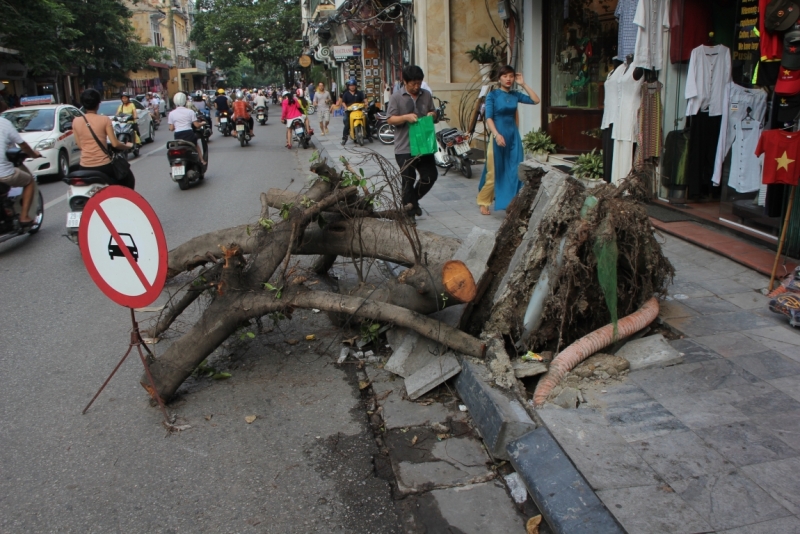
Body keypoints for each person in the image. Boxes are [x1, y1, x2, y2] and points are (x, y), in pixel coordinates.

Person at [477, 65, 540, 215]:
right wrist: (497, 135)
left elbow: (536, 100)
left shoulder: (515, 95)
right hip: (498, 135)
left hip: (513, 137)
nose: (508, 79)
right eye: (505, 76)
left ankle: (510, 203)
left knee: (514, 171)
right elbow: (489, 118)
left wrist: (523, 84)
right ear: (499, 78)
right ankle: (483, 201)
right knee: (494, 171)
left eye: (511, 76)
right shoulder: (493, 96)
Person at [386, 65, 438, 224]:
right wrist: (406, 117)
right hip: (404, 146)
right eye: (413, 84)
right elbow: (390, 119)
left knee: (430, 175)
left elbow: (434, 113)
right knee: (408, 179)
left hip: (423, 145)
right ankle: (408, 214)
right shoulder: (396, 97)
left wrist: (432, 115)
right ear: (405, 82)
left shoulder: (426, 95)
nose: (416, 87)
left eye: (419, 83)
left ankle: (412, 202)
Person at [72, 88, 135, 188]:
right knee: (127, 177)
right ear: (98, 103)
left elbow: (80, 145)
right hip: (103, 166)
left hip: (84, 166)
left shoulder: (76, 121)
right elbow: (115, 144)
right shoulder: (104, 119)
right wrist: (127, 146)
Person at [0, 97, 41, 226]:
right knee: (29, 180)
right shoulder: (4, 123)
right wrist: (34, 154)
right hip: (4, 173)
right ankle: (24, 216)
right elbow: (23, 145)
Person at [169, 92, 206, 165]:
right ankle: (201, 160)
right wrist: (203, 123)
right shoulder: (190, 112)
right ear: (185, 101)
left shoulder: (172, 113)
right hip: (189, 134)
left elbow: (171, 128)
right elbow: (196, 125)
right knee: (196, 146)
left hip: (178, 135)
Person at [333, 79, 367, 146]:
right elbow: (343, 102)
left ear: (355, 86)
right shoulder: (346, 94)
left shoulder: (359, 93)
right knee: (346, 121)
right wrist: (345, 107)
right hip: (349, 111)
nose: (352, 87)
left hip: (358, 110)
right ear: (348, 86)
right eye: (351, 85)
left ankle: (369, 135)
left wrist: (366, 103)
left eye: (353, 85)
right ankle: (344, 138)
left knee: (366, 118)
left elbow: (365, 99)